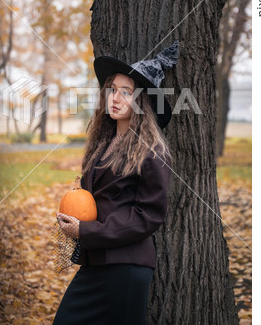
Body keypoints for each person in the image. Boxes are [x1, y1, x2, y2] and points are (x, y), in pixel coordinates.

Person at [53, 41, 179, 325]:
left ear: (141, 102)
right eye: (112, 90)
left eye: (126, 92)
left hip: (127, 265)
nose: (116, 98)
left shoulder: (151, 150)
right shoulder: (104, 143)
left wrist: (86, 230)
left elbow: (149, 216)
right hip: (97, 261)